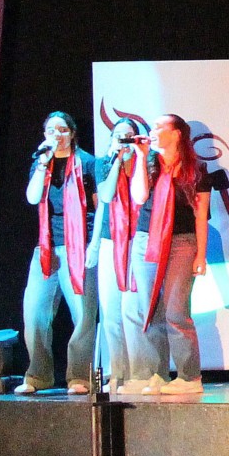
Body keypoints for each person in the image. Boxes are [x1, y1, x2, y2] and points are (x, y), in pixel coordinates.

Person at [127, 115, 211, 395]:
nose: (152, 131)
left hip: (181, 242)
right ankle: (157, 374)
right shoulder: (148, 163)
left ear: (176, 134)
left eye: (159, 127)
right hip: (147, 240)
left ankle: (189, 377)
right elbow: (139, 197)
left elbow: (201, 216)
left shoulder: (197, 169)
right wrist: (141, 158)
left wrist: (201, 255)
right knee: (150, 310)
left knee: (176, 310)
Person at [19, 113, 98, 395]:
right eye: (51, 130)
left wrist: (94, 245)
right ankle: (38, 375)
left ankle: (79, 376)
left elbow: (99, 205)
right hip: (47, 247)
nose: (57, 135)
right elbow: (32, 198)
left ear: (72, 133)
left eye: (62, 130)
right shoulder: (42, 162)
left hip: (80, 245)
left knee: (83, 315)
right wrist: (42, 163)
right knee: (34, 312)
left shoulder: (87, 163)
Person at [93, 119, 146, 393]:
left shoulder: (145, 163)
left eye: (129, 136)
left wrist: (134, 157)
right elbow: (105, 196)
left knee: (132, 310)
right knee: (111, 311)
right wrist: (116, 161)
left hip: (136, 240)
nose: (124, 140)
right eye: (119, 136)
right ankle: (118, 373)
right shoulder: (103, 163)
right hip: (110, 241)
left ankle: (139, 373)